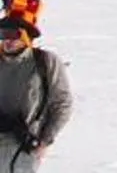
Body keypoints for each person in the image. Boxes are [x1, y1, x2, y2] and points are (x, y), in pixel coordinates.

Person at [0, 16, 70, 168]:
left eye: (14, 35)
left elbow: (62, 103)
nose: (8, 40)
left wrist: (45, 140)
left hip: (25, 144)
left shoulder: (44, 61)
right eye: (3, 35)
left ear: (26, 37)